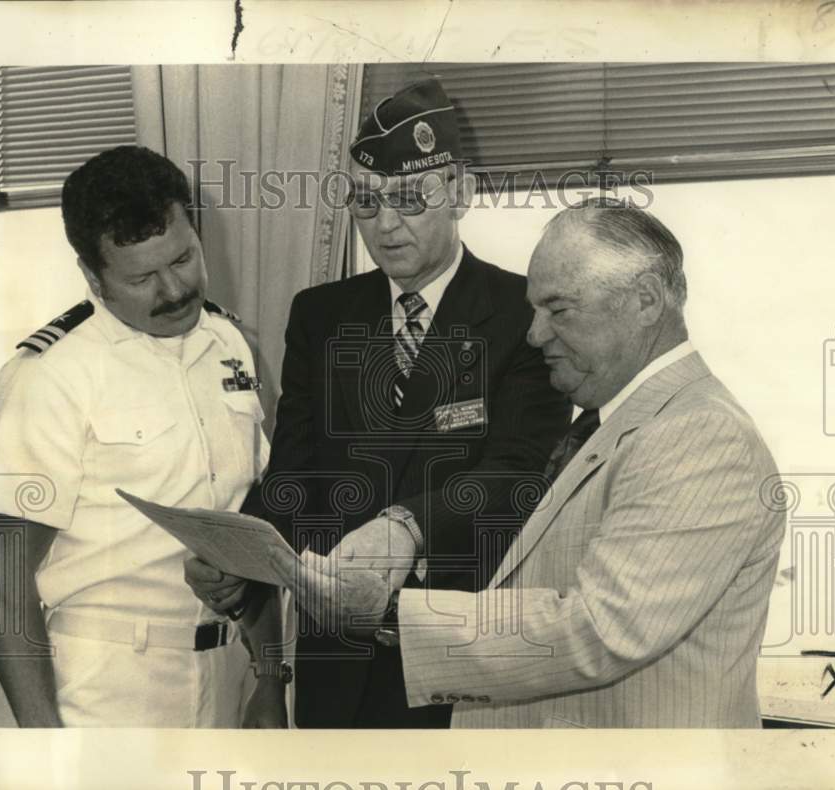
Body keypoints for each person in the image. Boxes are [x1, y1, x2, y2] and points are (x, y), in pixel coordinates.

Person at [271, 198, 786, 728]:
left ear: (646, 300)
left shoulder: (700, 435)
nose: (535, 334)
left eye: (558, 310)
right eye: (535, 310)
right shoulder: (619, 424)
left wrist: (390, 612)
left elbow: (597, 630)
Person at [187, 78, 572, 728]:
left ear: (458, 193)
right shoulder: (323, 317)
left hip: (459, 663)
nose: (384, 226)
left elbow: (518, 475)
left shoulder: (520, 315)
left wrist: (409, 525)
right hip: (335, 668)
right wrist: (236, 563)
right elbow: (293, 477)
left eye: (407, 199)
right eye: (366, 203)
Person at [0, 146, 283, 728]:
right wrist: (46, 746)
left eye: (184, 258)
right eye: (142, 277)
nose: (174, 290)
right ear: (94, 276)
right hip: (110, 687)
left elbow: (250, 526)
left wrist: (271, 675)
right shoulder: (49, 377)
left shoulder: (228, 345)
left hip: (228, 675)